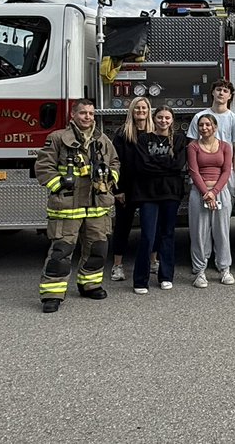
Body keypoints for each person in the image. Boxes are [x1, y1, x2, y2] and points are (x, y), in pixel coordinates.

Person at [35, 99, 120, 313]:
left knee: (97, 248)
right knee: (62, 250)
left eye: (91, 113)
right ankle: (52, 294)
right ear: (73, 115)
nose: (88, 117)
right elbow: (43, 167)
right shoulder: (57, 138)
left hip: (97, 206)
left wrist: (109, 177)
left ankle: (89, 285)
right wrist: (61, 184)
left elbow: (115, 162)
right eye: (83, 113)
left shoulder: (102, 140)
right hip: (67, 205)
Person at [128, 106, 187, 294]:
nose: (163, 121)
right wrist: (165, 166)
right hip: (148, 194)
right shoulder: (144, 138)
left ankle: (166, 276)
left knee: (167, 234)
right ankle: (140, 280)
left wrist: (157, 165)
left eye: (167, 118)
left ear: (172, 120)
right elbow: (142, 165)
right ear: (154, 119)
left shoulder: (179, 139)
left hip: (170, 193)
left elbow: (178, 165)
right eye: (160, 117)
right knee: (147, 235)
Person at [187, 113, 235, 288]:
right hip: (198, 193)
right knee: (199, 233)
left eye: (208, 124)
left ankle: (224, 269)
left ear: (215, 127)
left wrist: (214, 192)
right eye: (201, 125)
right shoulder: (193, 147)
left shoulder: (225, 146)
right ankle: (200, 271)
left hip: (220, 192)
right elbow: (193, 171)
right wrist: (206, 193)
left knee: (221, 231)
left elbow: (226, 170)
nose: (204, 128)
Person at [110, 96, 151, 282]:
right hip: (126, 188)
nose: (141, 111)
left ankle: (154, 260)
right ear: (131, 111)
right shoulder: (122, 134)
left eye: (144, 108)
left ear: (149, 111)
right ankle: (117, 265)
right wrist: (117, 189)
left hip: (149, 190)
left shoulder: (154, 133)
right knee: (122, 227)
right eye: (137, 108)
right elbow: (115, 163)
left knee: (151, 227)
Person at [186, 79, 235, 189]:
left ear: (230, 96)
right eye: (218, 90)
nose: (221, 93)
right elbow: (192, 146)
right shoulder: (199, 117)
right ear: (213, 92)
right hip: (201, 172)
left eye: (225, 91)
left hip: (226, 173)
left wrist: (234, 176)